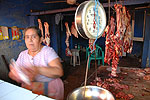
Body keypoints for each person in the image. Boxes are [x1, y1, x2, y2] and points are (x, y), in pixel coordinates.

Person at [8, 26, 64, 100]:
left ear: (40, 39)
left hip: (50, 88)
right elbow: (14, 73)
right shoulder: (22, 54)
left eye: (34, 37)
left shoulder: (48, 51)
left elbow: (59, 72)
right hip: (30, 89)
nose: (30, 40)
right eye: (27, 37)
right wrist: (15, 74)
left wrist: (37, 70)